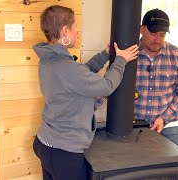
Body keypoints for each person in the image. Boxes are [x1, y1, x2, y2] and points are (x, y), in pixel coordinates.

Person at [32, 5, 139, 180]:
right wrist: (121, 60)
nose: (77, 32)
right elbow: (107, 86)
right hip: (64, 152)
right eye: (75, 28)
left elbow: (81, 74)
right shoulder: (66, 68)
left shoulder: (49, 61)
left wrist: (105, 55)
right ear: (65, 31)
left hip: (45, 143)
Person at [135, 8, 178, 179]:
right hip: (136, 123)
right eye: (153, 33)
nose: (157, 40)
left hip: (169, 122)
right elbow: (110, 86)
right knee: (136, 171)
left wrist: (164, 118)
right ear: (142, 29)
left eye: (162, 35)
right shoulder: (128, 55)